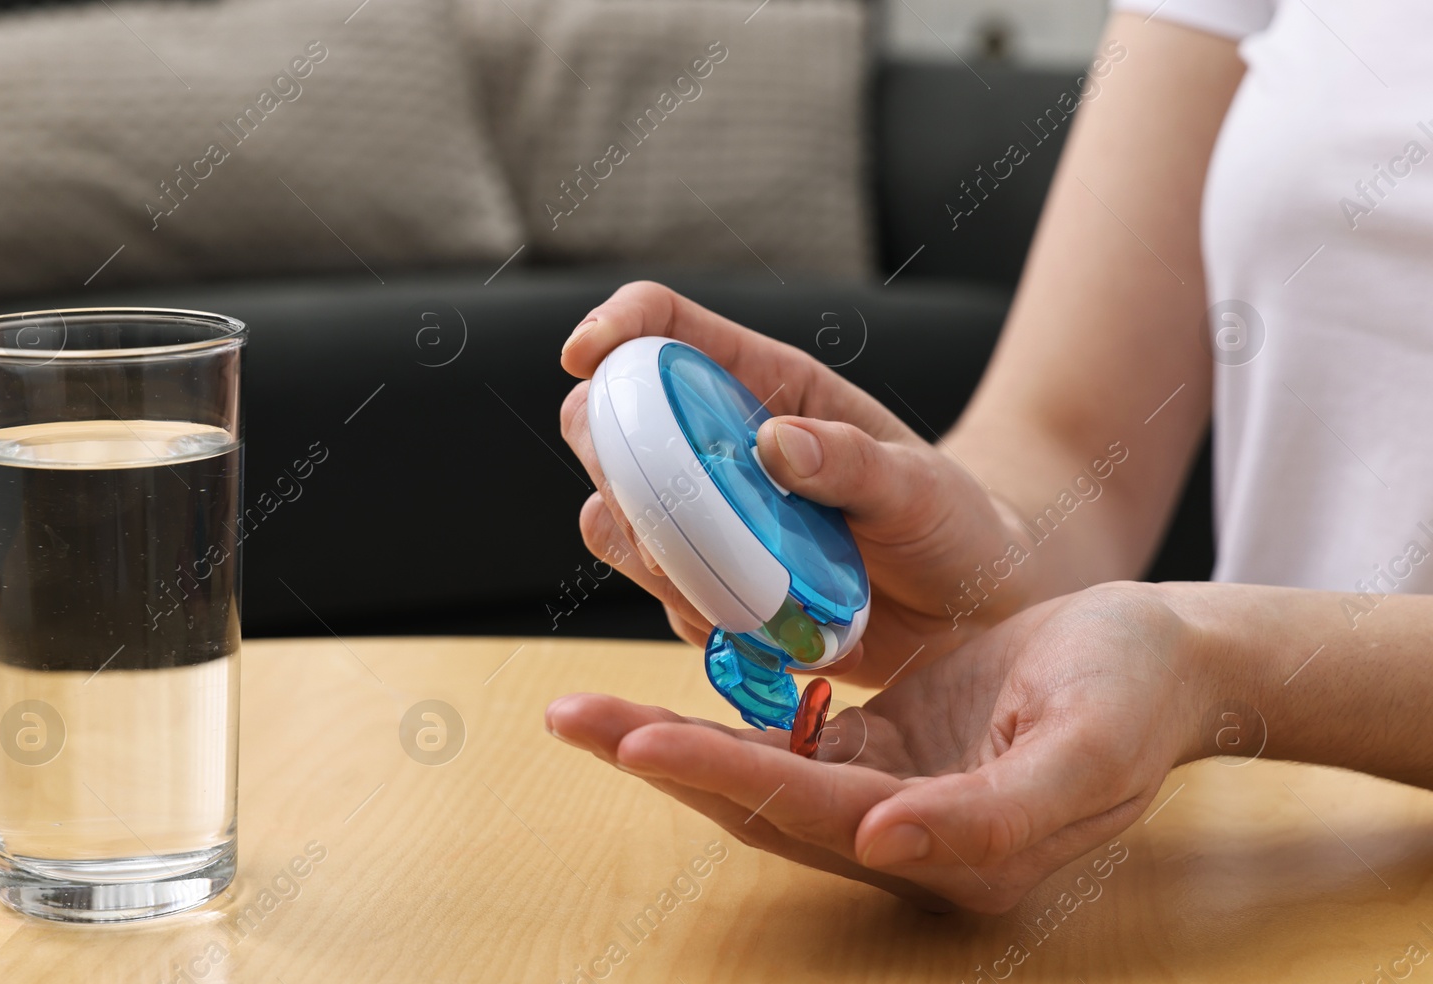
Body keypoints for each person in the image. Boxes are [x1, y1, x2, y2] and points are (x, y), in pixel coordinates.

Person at [544, 2, 1433, 913]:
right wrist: (975, 535)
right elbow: (1074, 439)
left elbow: (1207, 651)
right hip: (1278, 862)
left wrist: (1224, 661)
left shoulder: (1213, 658)